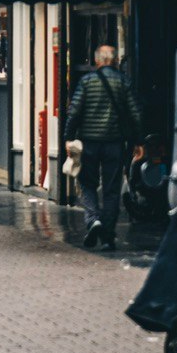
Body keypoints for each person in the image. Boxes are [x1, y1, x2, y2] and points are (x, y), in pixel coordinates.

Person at [64, 44, 142, 250]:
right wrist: (138, 141)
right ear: (115, 60)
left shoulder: (87, 82)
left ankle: (93, 220)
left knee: (87, 182)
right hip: (114, 144)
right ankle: (108, 234)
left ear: (97, 61)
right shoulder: (123, 82)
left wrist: (68, 138)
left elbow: (74, 112)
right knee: (111, 189)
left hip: (89, 142)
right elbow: (135, 114)